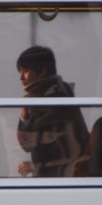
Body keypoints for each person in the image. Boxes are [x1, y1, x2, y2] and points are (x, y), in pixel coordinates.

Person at [15, 45, 89, 178]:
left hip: (61, 180)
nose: (21, 78)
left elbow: (29, 143)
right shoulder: (51, 96)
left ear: (42, 72)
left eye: (25, 71)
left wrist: (37, 166)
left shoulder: (54, 102)